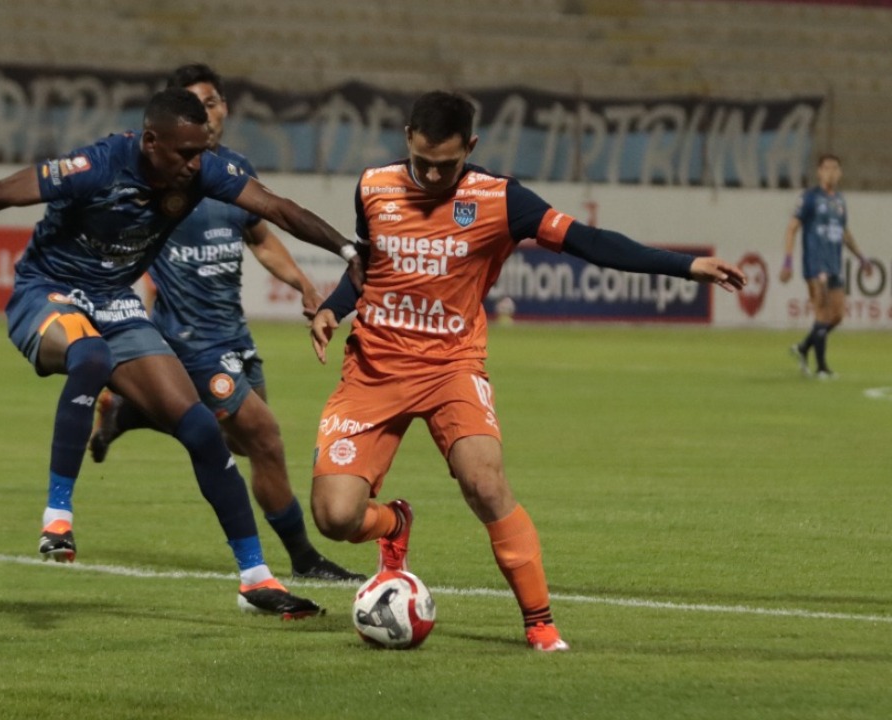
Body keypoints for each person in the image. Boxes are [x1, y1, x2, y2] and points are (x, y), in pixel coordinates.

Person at [0, 87, 365, 618]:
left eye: (200, 152)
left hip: (111, 300)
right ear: (151, 141)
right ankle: (57, 517)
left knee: (199, 426)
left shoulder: (202, 171)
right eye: (184, 153)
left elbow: (277, 208)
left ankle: (255, 580)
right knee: (90, 357)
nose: (195, 164)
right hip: (46, 292)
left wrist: (347, 250)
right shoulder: (95, 165)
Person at [307, 91, 747, 651]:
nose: (435, 175)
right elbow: (370, 266)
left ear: (471, 147)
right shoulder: (373, 186)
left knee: (486, 483)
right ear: (407, 140)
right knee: (335, 517)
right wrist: (330, 307)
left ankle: (539, 623)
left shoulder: (500, 199)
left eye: (448, 164)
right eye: (423, 163)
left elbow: (589, 242)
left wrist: (685, 266)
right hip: (373, 370)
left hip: (451, 368)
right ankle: (393, 524)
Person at [88, 64, 363, 583]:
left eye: (212, 103)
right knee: (264, 437)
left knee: (241, 442)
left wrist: (304, 283)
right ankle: (304, 558)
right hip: (188, 339)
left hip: (233, 333)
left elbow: (259, 235)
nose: (207, 114)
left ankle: (130, 414)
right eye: (194, 106)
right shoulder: (157, 177)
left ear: (225, 107)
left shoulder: (232, 170)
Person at [779, 154, 873, 379]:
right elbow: (792, 228)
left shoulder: (840, 201)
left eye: (835, 168)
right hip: (814, 264)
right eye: (826, 168)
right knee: (822, 312)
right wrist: (788, 260)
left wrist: (861, 258)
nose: (831, 172)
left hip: (834, 264)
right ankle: (821, 368)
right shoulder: (809, 198)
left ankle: (803, 348)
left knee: (837, 315)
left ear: (840, 173)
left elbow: (844, 233)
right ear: (819, 172)